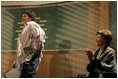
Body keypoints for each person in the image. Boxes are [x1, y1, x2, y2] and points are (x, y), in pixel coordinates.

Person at [10, 10, 45, 78]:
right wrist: (17, 62)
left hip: (29, 60)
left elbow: (40, 39)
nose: (22, 18)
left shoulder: (31, 25)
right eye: (22, 16)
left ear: (30, 18)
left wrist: (32, 55)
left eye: (25, 16)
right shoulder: (26, 27)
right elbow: (23, 47)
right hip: (26, 60)